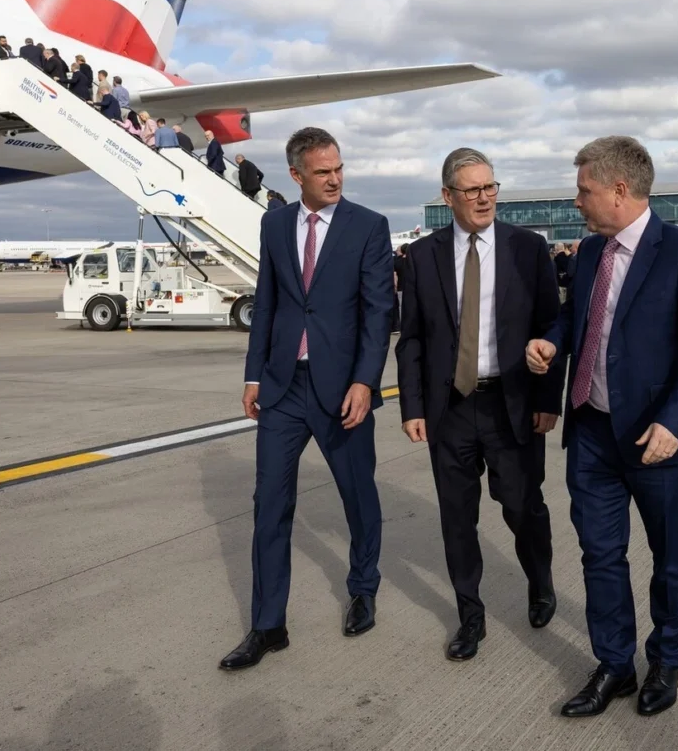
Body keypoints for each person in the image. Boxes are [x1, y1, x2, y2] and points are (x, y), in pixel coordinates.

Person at [526, 136, 678, 718]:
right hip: (592, 432)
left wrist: (675, 420)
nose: (576, 201)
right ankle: (614, 663)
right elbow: (575, 316)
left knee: (670, 556)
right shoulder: (591, 252)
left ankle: (666, 657)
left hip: (656, 438)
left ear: (619, 189)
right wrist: (552, 342)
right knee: (599, 554)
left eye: (583, 190)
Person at [219, 127, 395, 671]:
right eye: (323, 172)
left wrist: (365, 381)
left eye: (338, 168)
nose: (335, 178)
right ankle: (268, 625)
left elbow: (378, 313)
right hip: (283, 388)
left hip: (342, 390)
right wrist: (254, 375)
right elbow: (268, 303)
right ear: (297, 176)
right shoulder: (274, 224)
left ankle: (363, 588)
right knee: (269, 505)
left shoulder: (369, 225)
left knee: (358, 496)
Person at [396, 148, 563, 661]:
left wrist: (547, 398)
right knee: (456, 518)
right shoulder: (422, 256)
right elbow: (412, 338)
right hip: (450, 408)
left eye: (490, 187)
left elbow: (551, 326)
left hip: (511, 404)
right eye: (472, 190)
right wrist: (412, 406)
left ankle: (540, 581)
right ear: (448, 196)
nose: (485, 197)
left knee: (522, 506)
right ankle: (470, 614)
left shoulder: (527, 248)